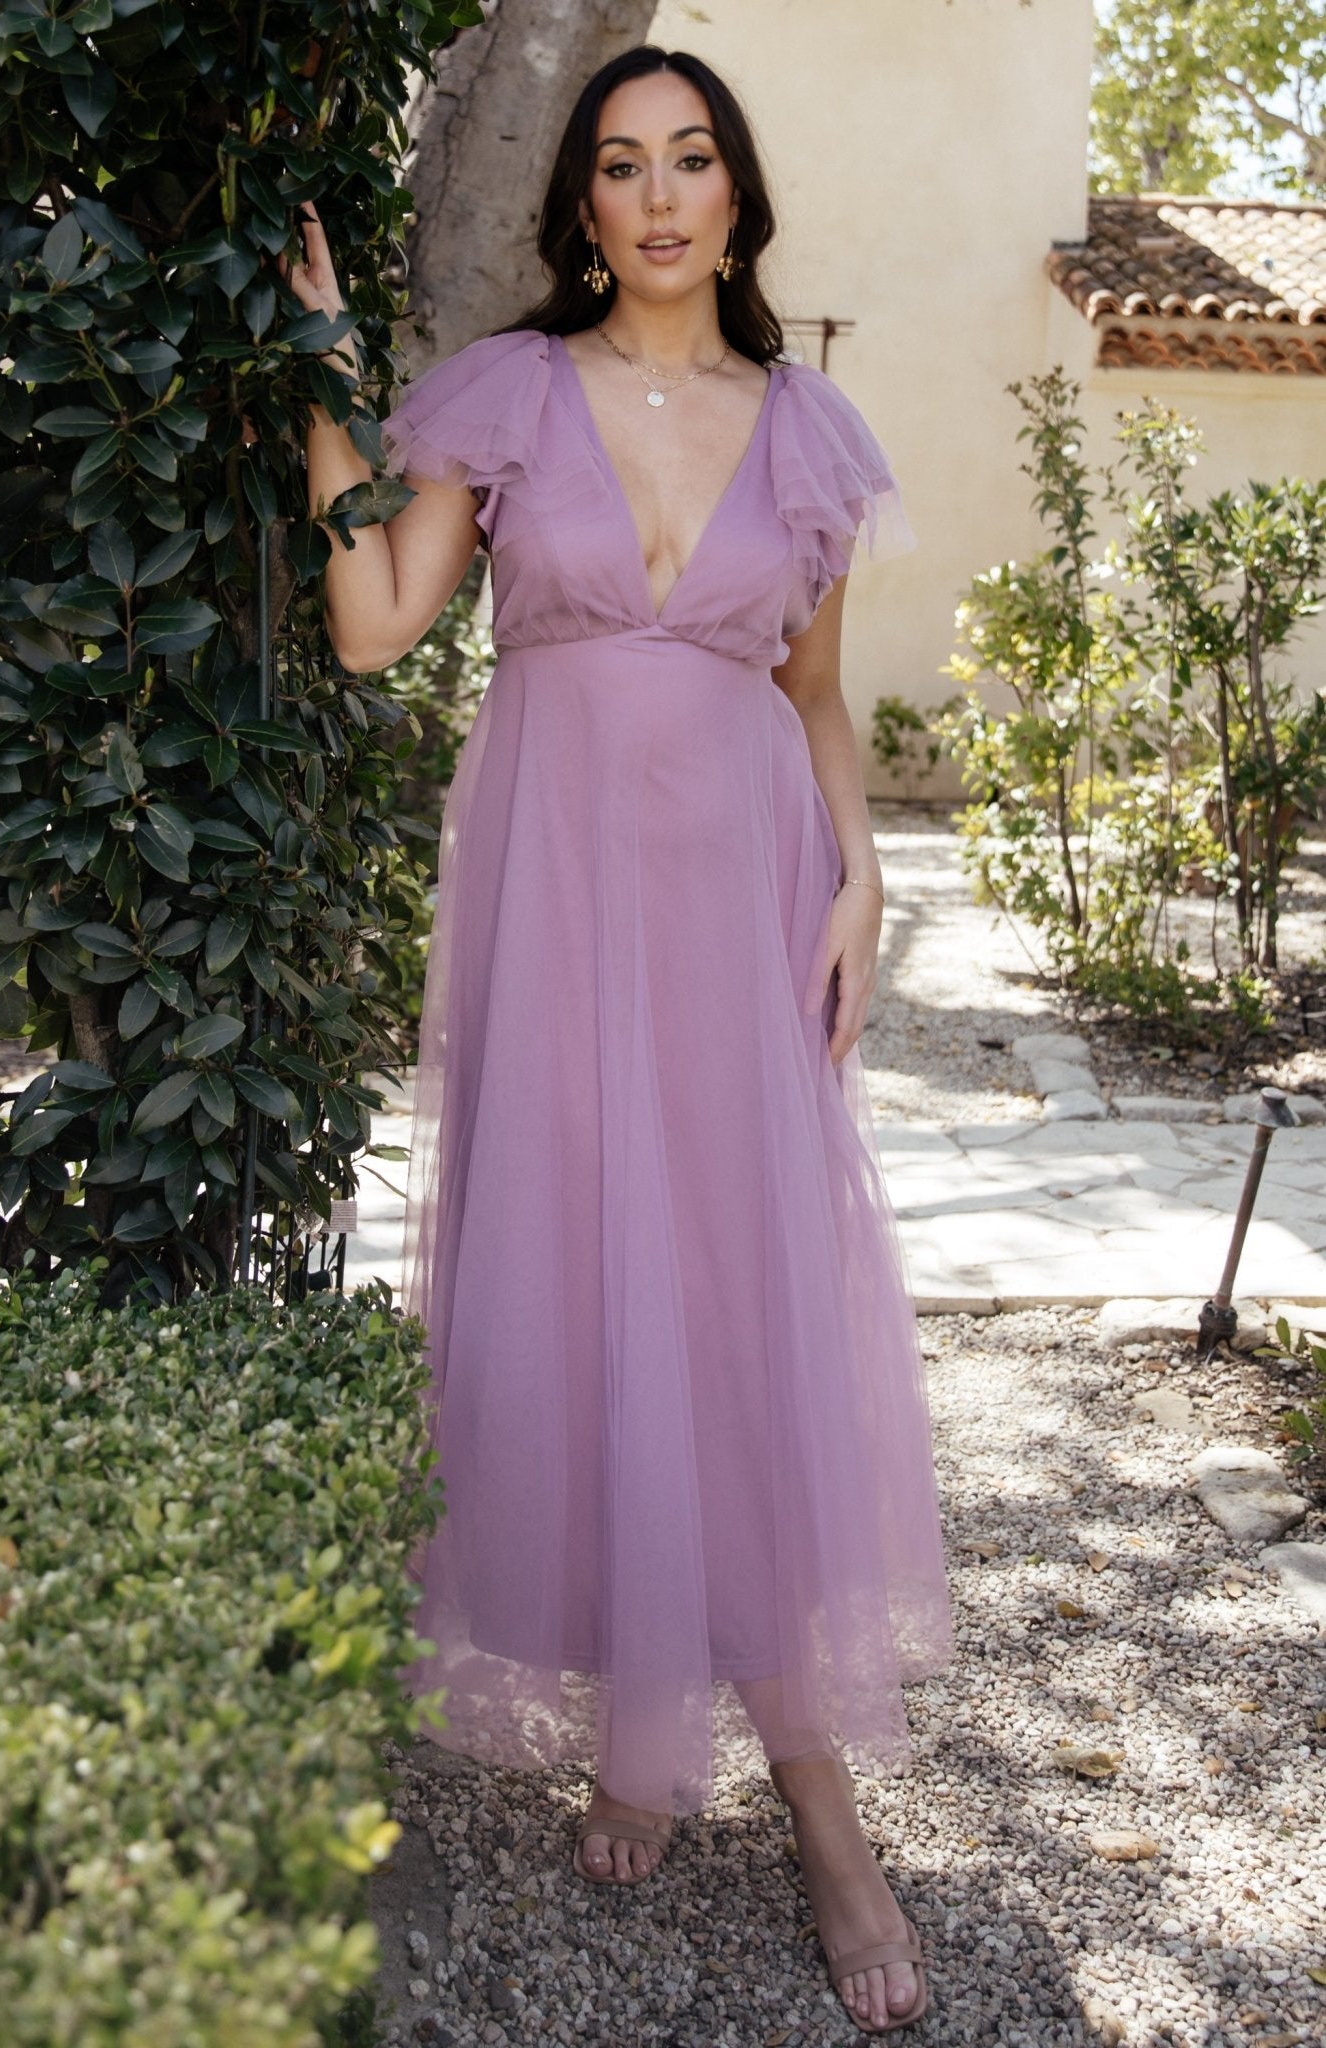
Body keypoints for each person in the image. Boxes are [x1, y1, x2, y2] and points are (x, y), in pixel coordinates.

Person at [286, 44, 954, 2037]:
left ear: (733, 198)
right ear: (582, 209)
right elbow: (372, 625)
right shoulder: (507, 396)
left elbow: (815, 699)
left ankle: (825, 1819)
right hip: (556, 902)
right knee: (595, 1296)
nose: (656, 198)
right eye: (617, 168)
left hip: (744, 903)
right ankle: (644, 1742)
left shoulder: (805, 429)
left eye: (689, 163)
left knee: (736, 1308)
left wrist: (856, 879)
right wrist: (325, 380)